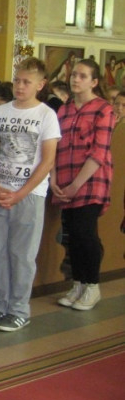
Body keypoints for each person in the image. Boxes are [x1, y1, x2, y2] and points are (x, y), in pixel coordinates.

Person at [0, 58, 60, 331]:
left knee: (22, 254)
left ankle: (19, 309)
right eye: (17, 80)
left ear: (40, 84)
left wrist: (20, 193)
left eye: (27, 82)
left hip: (29, 194)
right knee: (0, 250)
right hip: (0, 191)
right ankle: (0, 305)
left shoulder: (46, 115)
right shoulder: (0, 112)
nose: (20, 86)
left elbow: (47, 160)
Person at [51, 59, 115, 311]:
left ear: (94, 82)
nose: (75, 79)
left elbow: (99, 152)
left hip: (90, 179)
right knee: (72, 235)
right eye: (74, 75)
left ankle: (92, 285)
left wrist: (76, 185)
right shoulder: (64, 110)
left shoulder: (103, 109)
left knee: (85, 232)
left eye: (82, 76)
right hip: (65, 178)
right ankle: (77, 283)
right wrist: (54, 178)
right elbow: (54, 145)